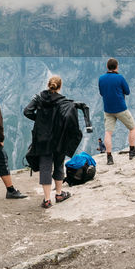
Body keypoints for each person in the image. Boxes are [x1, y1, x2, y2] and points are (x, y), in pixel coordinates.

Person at [24, 76, 91, 208]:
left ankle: (47, 199)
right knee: (59, 164)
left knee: (45, 167)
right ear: (59, 87)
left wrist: (41, 120)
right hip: (58, 139)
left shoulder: (38, 98)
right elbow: (73, 113)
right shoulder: (63, 102)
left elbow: (27, 111)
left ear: (48, 85)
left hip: (42, 139)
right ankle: (59, 194)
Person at [98, 58, 135, 164]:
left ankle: (109, 157)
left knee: (108, 133)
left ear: (107, 67)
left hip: (108, 109)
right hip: (120, 108)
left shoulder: (101, 78)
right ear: (117, 67)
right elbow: (127, 92)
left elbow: (101, 93)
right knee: (132, 128)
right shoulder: (119, 78)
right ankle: (132, 151)